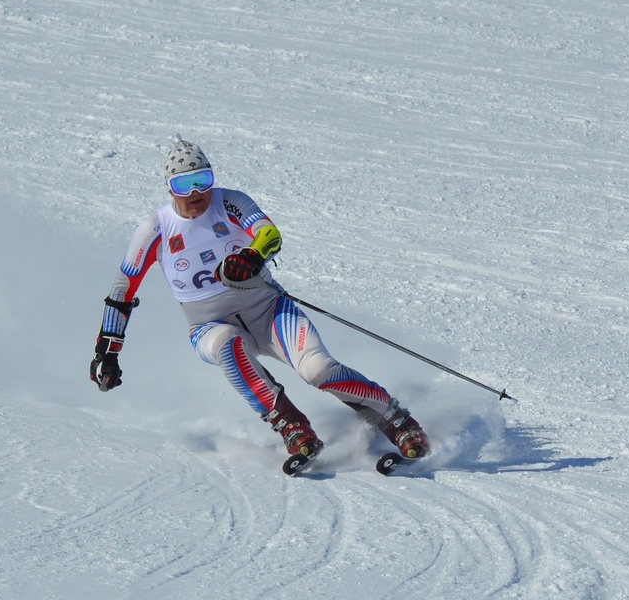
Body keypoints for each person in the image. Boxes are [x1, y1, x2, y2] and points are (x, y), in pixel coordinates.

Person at [89, 139, 429, 466]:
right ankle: (290, 424)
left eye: (203, 180)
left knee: (319, 370)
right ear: (169, 188)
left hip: (269, 310)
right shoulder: (156, 228)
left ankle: (395, 418)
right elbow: (123, 289)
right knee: (227, 346)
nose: (196, 193)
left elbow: (269, 233)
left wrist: (252, 256)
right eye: (184, 185)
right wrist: (107, 351)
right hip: (209, 326)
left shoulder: (230, 202)